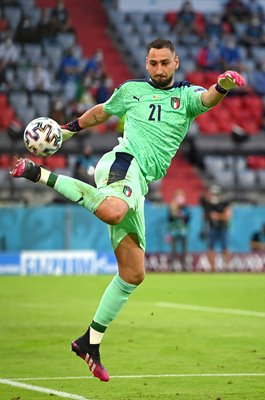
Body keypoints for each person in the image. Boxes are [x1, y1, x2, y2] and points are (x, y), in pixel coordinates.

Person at [10, 38, 246, 382]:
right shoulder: (131, 90)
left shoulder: (187, 96)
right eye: (153, 63)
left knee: (133, 273)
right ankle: (37, 172)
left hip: (141, 184)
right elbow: (101, 112)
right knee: (113, 211)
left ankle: (90, 341)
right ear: (146, 63)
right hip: (123, 163)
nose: (159, 69)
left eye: (165, 63)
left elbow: (209, 97)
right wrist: (65, 130)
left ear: (176, 62)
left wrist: (223, 85)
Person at [204, 185, 232, 272]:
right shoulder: (209, 205)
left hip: (222, 228)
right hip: (212, 228)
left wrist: (217, 216)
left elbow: (227, 216)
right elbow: (205, 217)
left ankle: (227, 266)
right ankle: (212, 268)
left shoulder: (224, 204)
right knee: (210, 248)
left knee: (225, 248)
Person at [167, 189, 191, 271]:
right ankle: (172, 266)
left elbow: (188, 219)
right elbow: (169, 219)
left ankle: (184, 266)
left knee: (184, 250)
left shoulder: (186, 208)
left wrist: (181, 215)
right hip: (174, 231)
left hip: (183, 231)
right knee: (173, 250)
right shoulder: (172, 207)